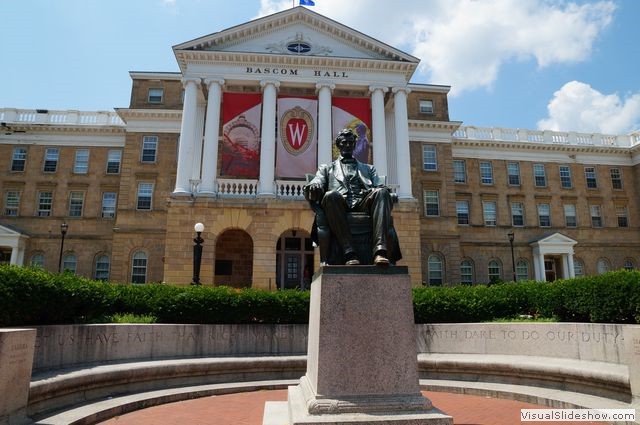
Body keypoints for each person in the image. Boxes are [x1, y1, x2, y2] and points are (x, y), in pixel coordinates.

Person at [304, 129, 393, 266]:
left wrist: (386, 192)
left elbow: (380, 186)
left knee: (381, 193)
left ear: (354, 145)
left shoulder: (368, 169)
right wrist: (314, 186)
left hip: (363, 202)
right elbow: (317, 181)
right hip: (340, 204)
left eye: (351, 143)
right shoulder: (327, 168)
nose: (347, 145)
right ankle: (349, 251)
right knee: (330, 195)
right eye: (344, 142)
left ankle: (380, 252)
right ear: (338, 145)